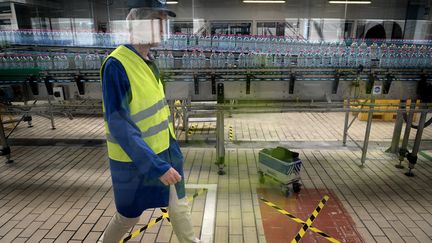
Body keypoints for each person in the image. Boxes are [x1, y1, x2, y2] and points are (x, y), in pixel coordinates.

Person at [99, 1, 199, 242]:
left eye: (163, 21)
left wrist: (171, 152)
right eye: (157, 20)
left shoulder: (149, 60)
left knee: (178, 205)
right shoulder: (116, 65)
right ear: (137, 22)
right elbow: (119, 123)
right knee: (128, 217)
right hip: (133, 162)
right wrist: (155, 165)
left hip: (164, 153)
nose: (162, 28)